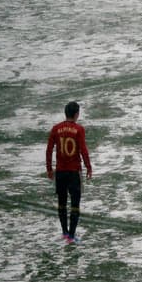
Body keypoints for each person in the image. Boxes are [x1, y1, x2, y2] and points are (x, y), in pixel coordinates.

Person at [46, 101, 92, 244]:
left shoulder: (56, 128)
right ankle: (71, 236)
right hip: (74, 171)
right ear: (77, 114)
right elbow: (83, 150)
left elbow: (49, 150)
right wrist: (88, 167)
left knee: (62, 203)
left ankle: (65, 233)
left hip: (60, 171)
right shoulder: (79, 129)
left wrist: (49, 169)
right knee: (75, 204)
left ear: (65, 113)